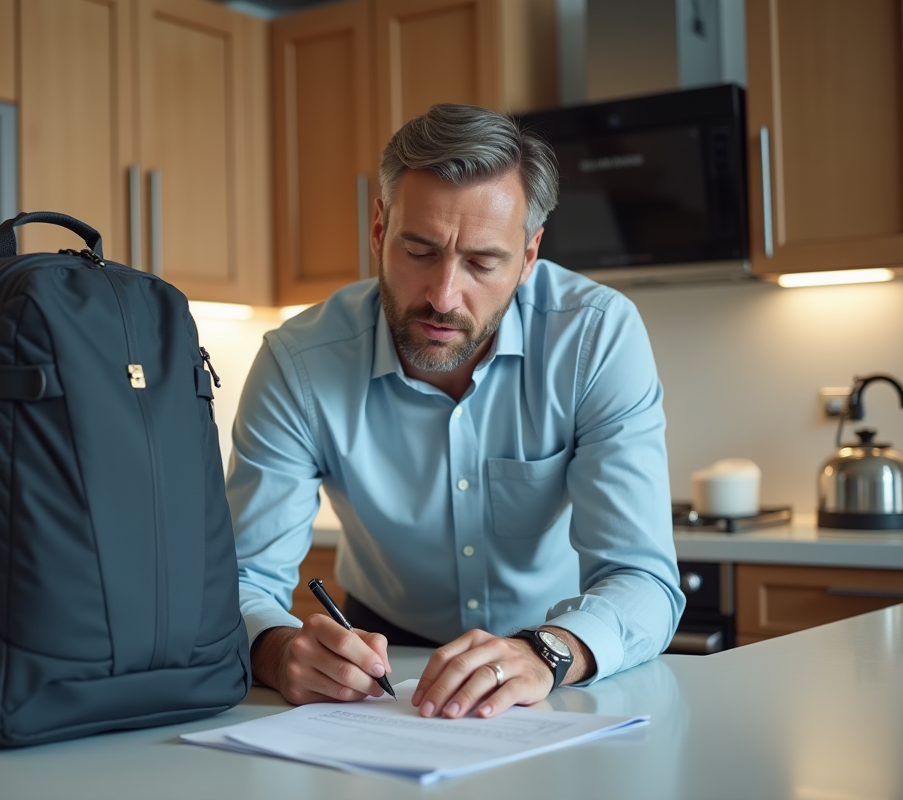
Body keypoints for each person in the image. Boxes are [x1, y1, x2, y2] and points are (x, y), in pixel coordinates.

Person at [226, 103, 684, 721]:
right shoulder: (298, 362)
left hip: (550, 663)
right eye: (419, 250)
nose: (443, 296)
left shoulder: (596, 337)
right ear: (379, 229)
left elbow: (642, 578)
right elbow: (242, 577)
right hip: (382, 678)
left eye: (482, 263)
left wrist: (549, 651)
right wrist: (279, 652)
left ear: (528, 257)